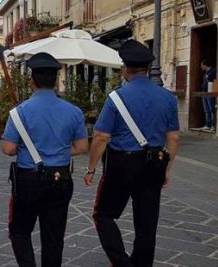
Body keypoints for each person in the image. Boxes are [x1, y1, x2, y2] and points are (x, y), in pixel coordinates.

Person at [84, 40, 180, 267]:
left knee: (104, 215)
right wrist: (167, 168)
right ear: (147, 69)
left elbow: (101, 137)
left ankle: (121, 262)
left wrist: (91, 168)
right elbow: (174, 137)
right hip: (154, 162)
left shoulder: (116, 98)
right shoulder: (167, 98)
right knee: (147, 223)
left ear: (125, 68)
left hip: (122, 164)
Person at [1, 52, 89, 267]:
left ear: (32, 81)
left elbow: (9, 148)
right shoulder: (74, 111)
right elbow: (81, 147)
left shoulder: (18, 112)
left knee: (20, 231)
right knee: (54, 236)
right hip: (60, 178)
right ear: (56, 80)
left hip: (28, 180)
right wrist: (57, 150)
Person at [200, 59, 217, 132]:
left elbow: (211, 80)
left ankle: (213, 125)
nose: (201, 67)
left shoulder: (213, 71)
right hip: (204, 92)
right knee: (206, 109)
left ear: (205, 65)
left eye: (201, 65)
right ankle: (208, 124)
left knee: (211, 109)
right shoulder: (206, 72)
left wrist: (208, 78)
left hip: (210, 92)